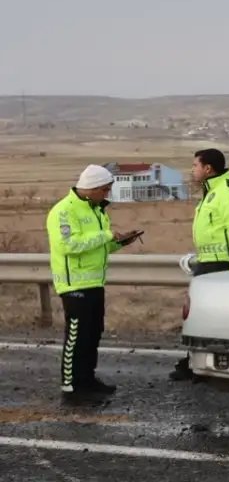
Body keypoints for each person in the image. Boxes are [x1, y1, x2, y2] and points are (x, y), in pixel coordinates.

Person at [46, 164, 141, 402]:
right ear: (91, 188)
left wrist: (120, 242)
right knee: (76, 337)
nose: (107, 194)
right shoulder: (64, 211)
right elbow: (68, 245)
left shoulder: (97, 210)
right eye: (105, 189)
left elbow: (99, 246)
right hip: (74, 285)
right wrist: (107, 235)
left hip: (95, 282)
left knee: (93, 334)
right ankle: (71, 387)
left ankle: (87, 379)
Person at [170, 148, 229, 381]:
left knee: (217, 320)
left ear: (208, 168)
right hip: (206, 264)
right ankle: (197, 363)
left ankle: (211, 367)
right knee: (201, 318)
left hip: (221, 266)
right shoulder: (212, 191)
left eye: (195, 165)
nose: (192, 169)